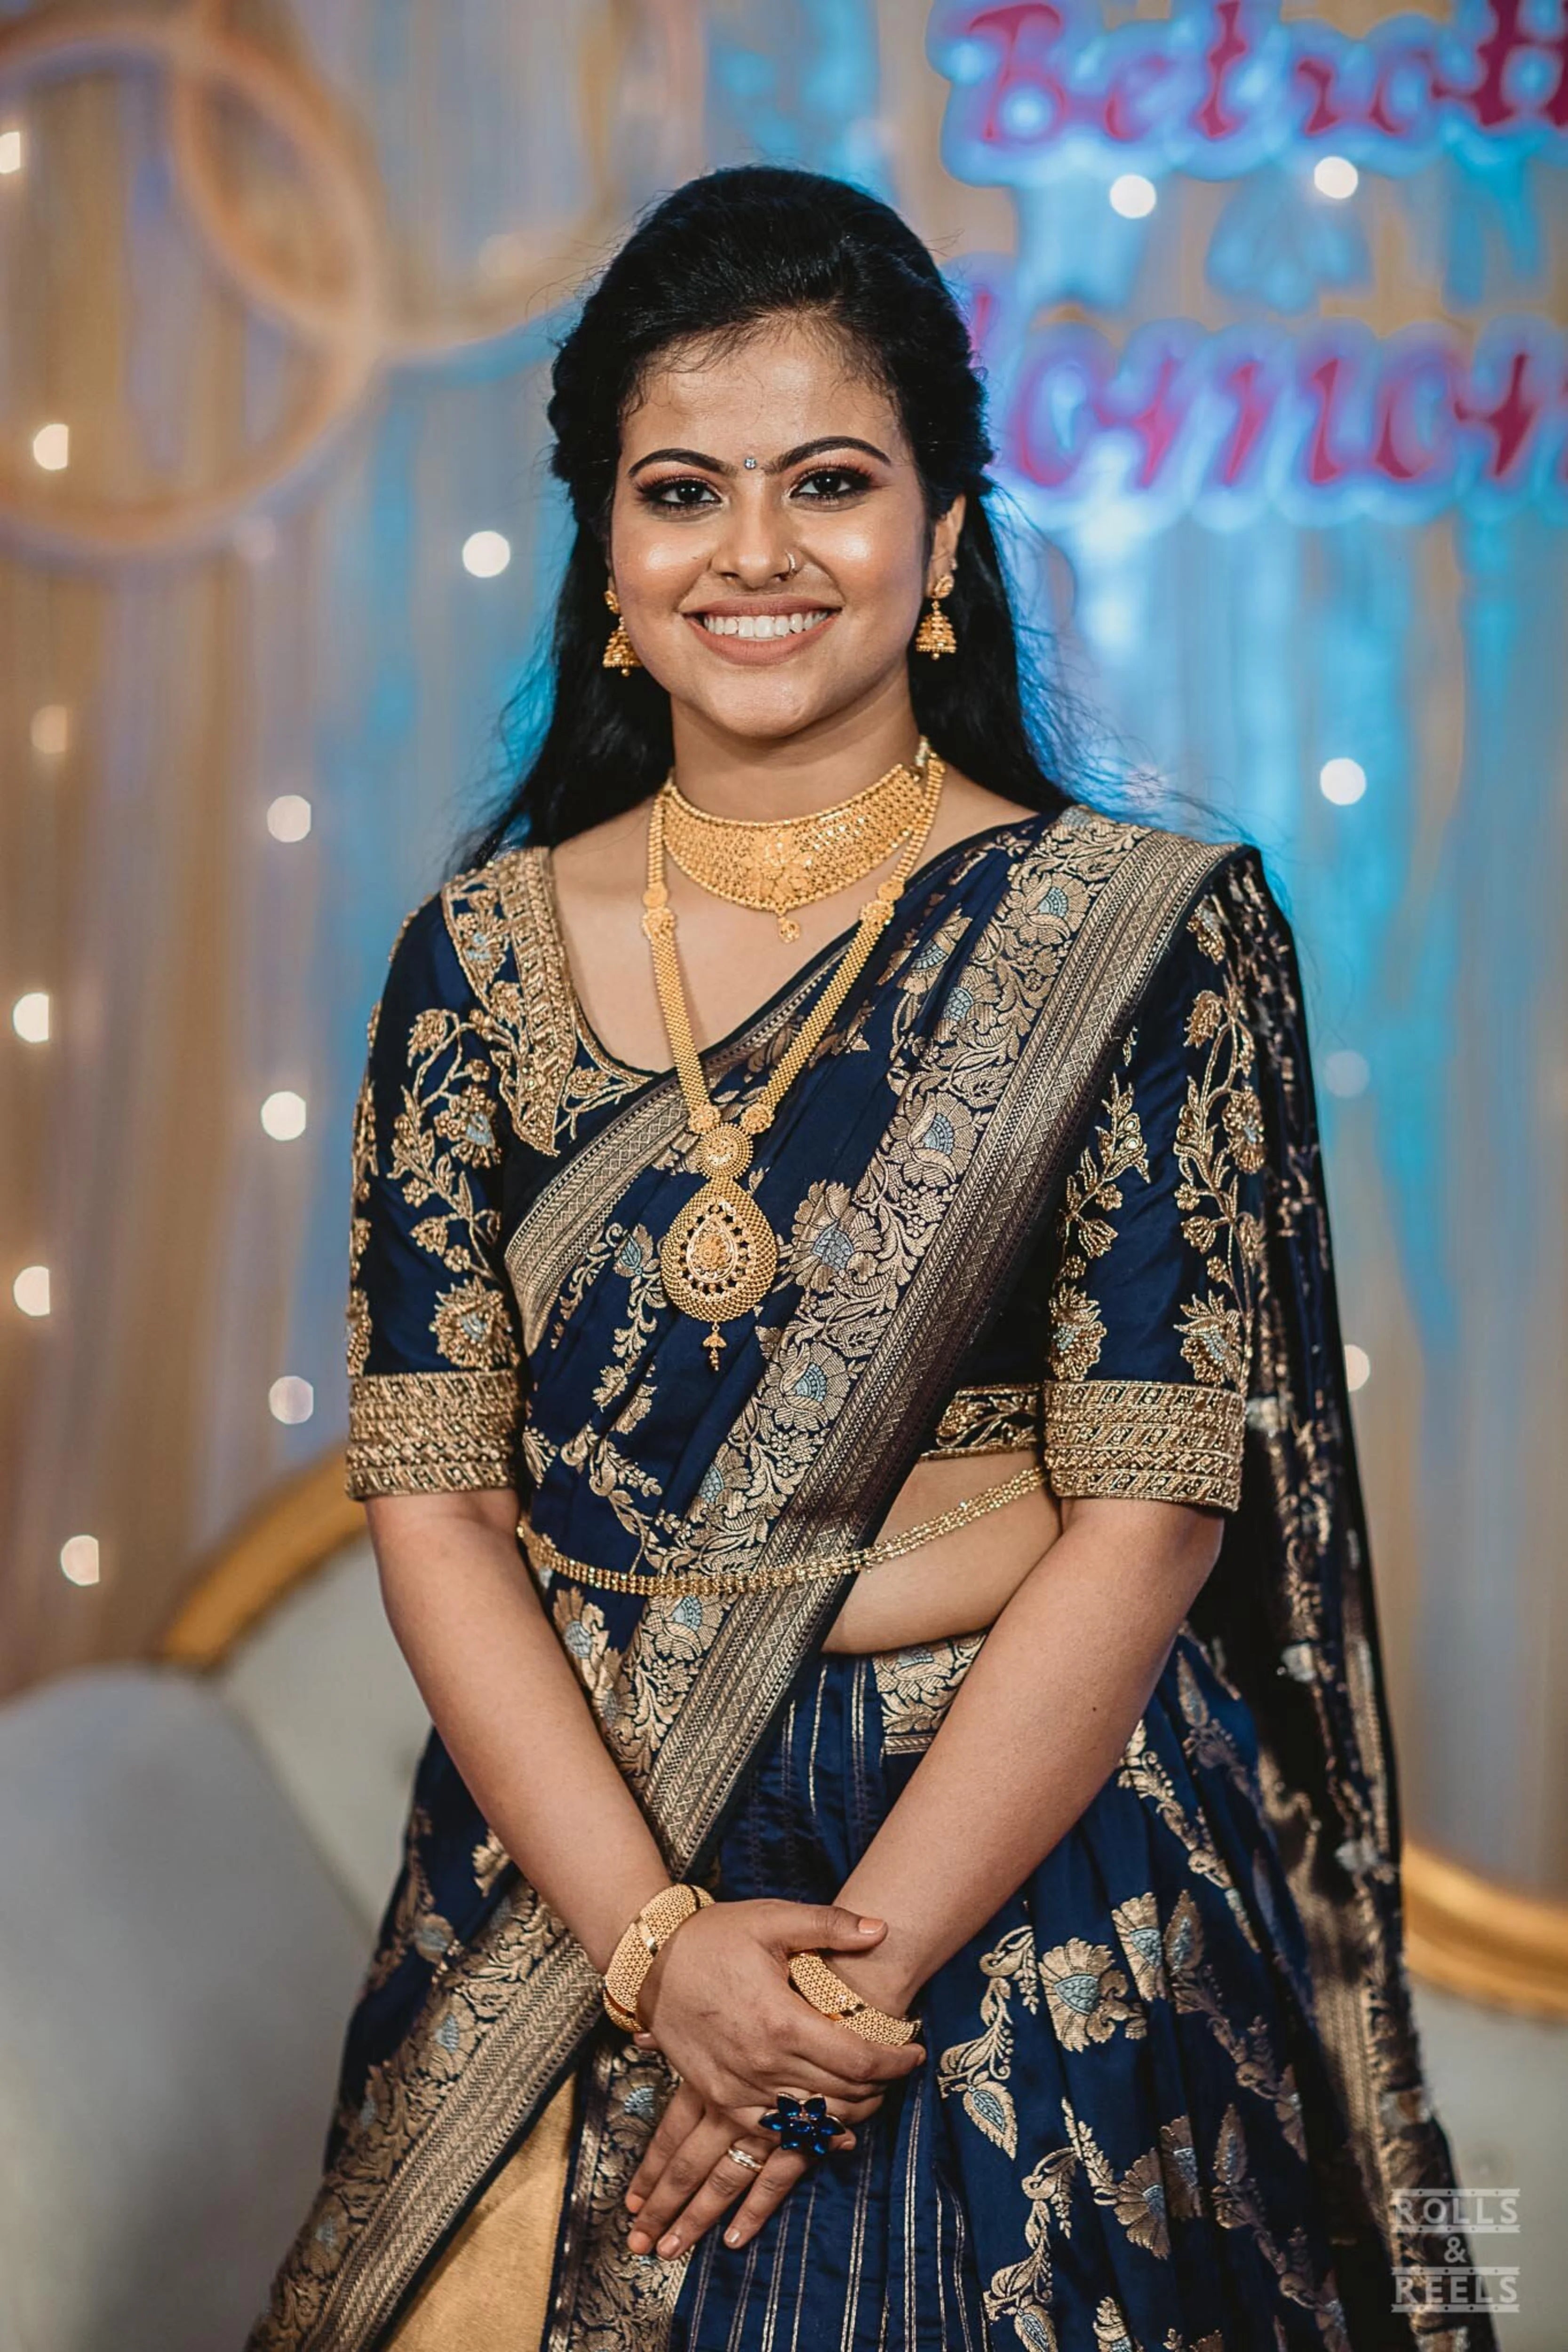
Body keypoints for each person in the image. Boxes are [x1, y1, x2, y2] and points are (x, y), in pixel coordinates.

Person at [249, 167, 1487, 2352]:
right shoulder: (470, 961)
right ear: (609, 561)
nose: (753, 553)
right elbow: (434, 1500)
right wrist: (656, 1951)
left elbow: (1152, 1511)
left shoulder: (1136, 935)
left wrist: (843, 1980)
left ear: (940, 537)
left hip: (1016, 1844)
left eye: (831, 481)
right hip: (580, 1846)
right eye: (680, 491)